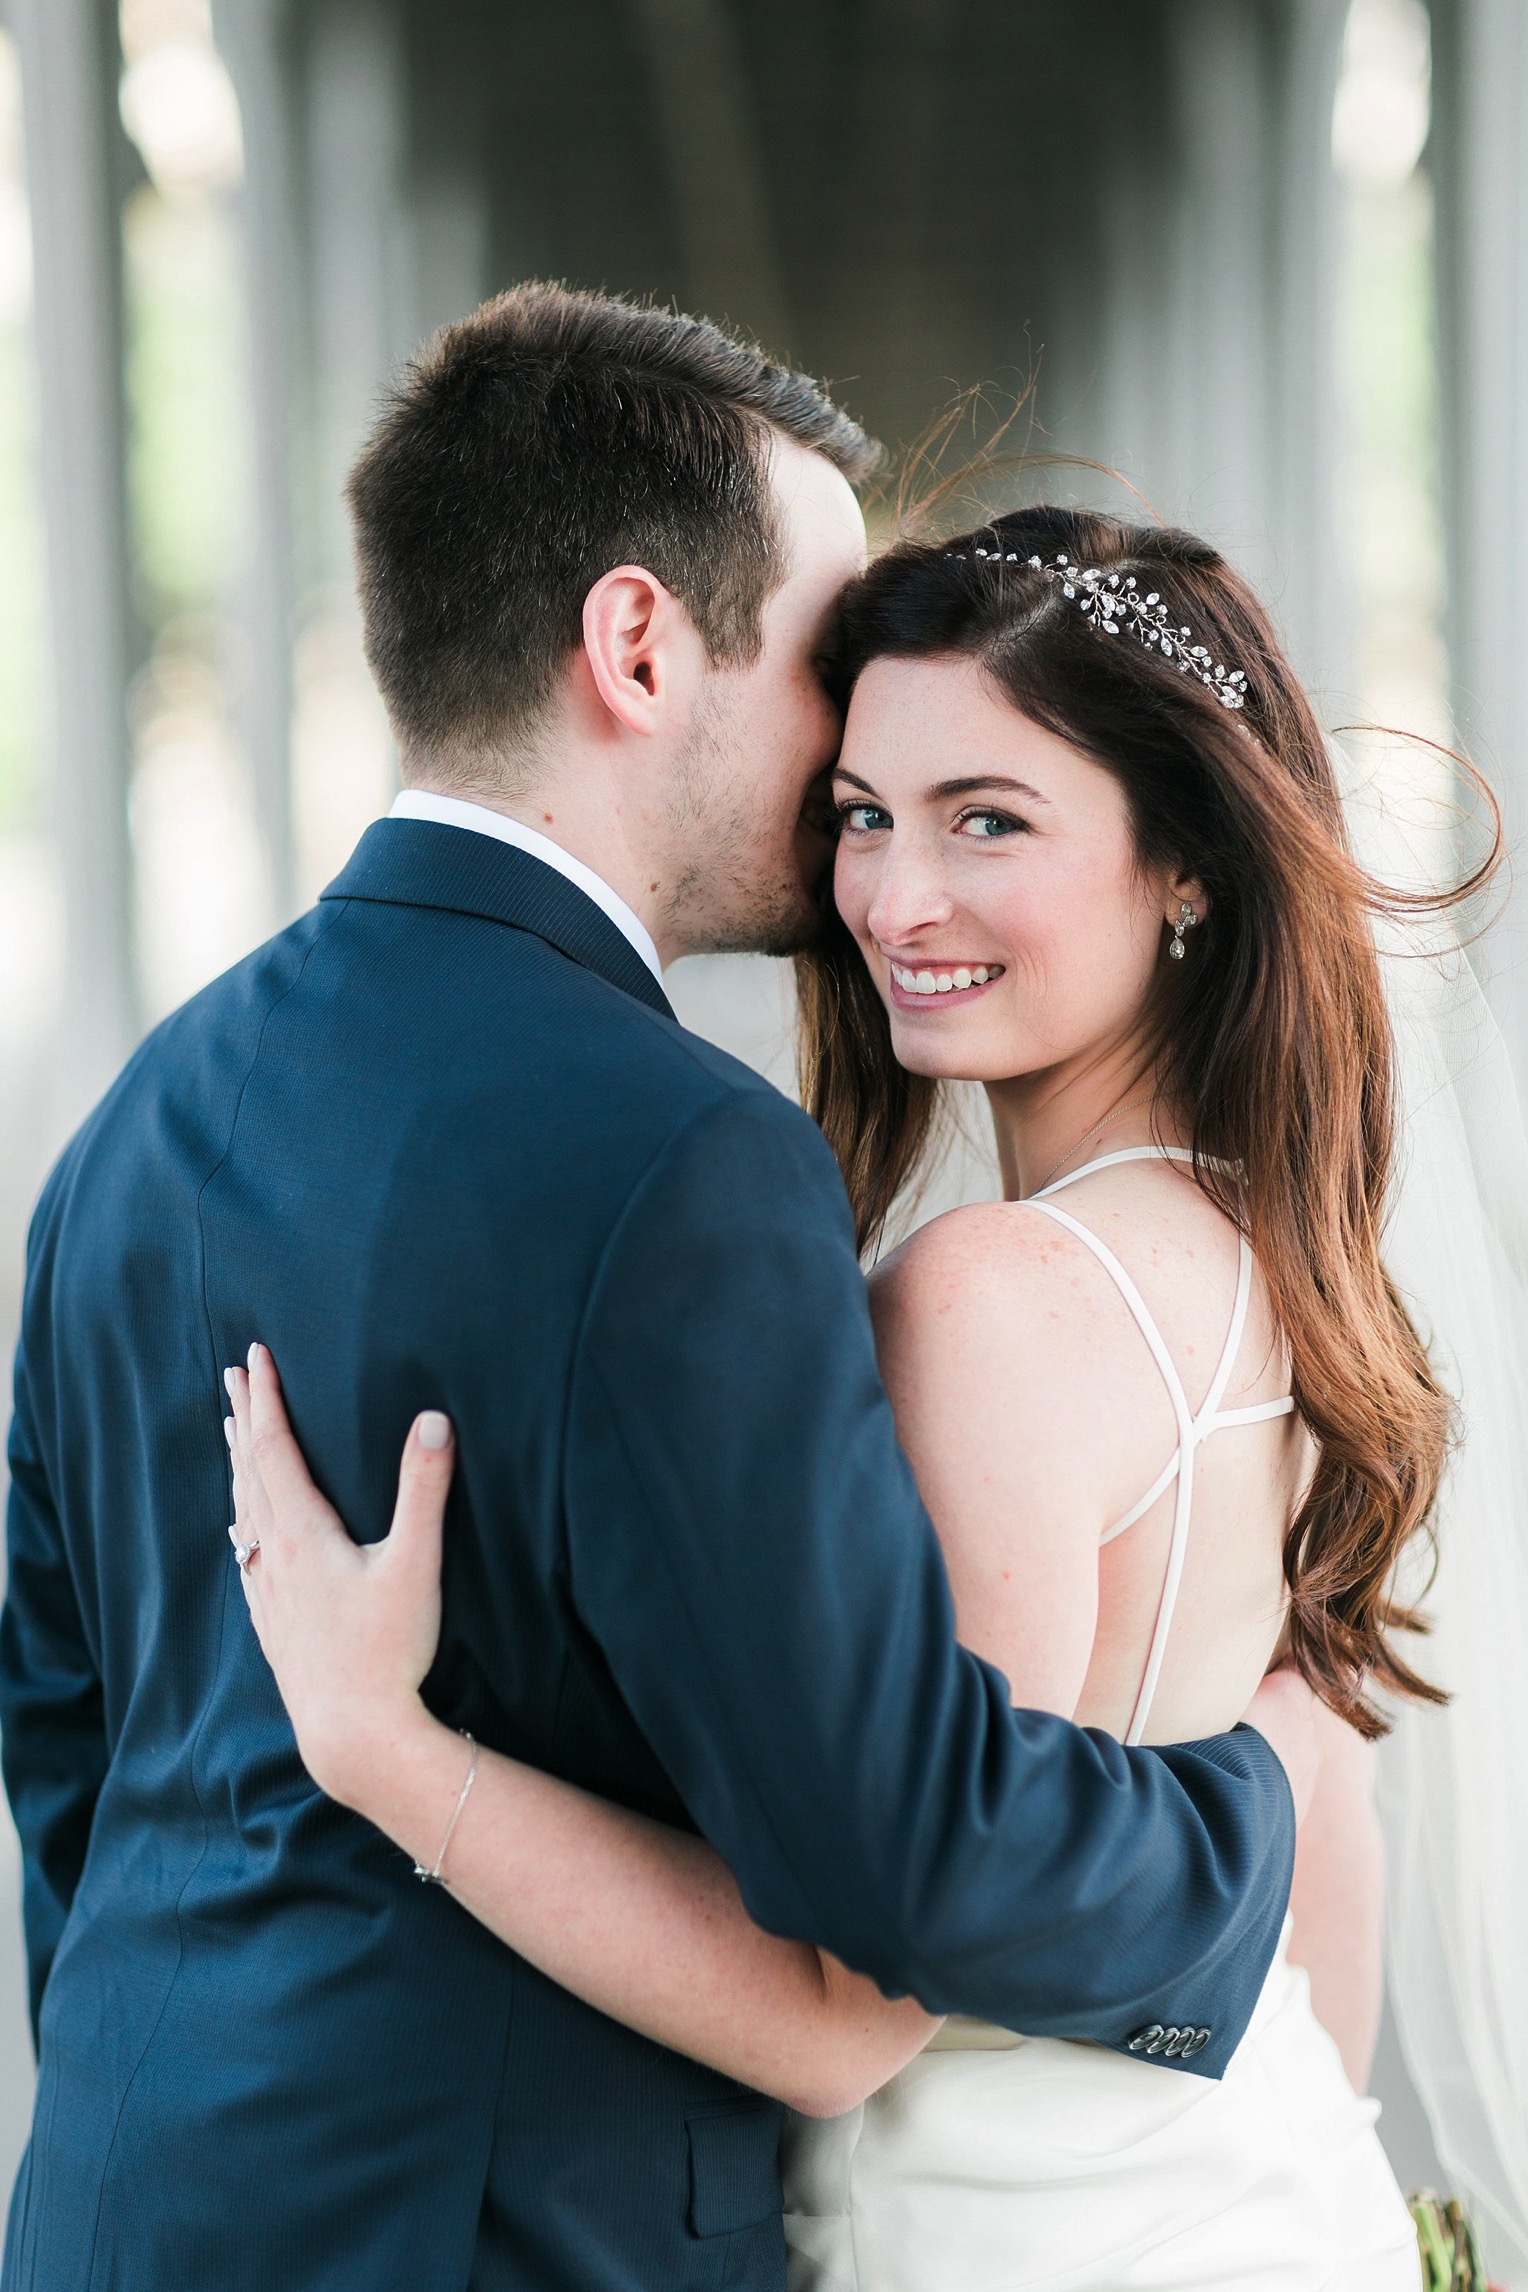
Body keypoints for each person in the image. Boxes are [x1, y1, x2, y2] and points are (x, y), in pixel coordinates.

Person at [0, 291, 1308, 2292]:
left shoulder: (132, 1127)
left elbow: (68, 1753)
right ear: (637, 645)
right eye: (824, 663)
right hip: (506, 2245)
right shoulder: (680, 1159)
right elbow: (886, 1859)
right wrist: (1235, 1821)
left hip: (122, 2200)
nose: (850, 752)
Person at [223, 504, 1476, 2290]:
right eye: (864, 816)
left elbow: (844, 2017)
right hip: (1255, 2194)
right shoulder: (1287, 1280)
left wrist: (393, 1757)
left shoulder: (998, 1298)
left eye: (990, 821)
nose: (896, 899)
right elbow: (1317, 1843)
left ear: (1188, 862)